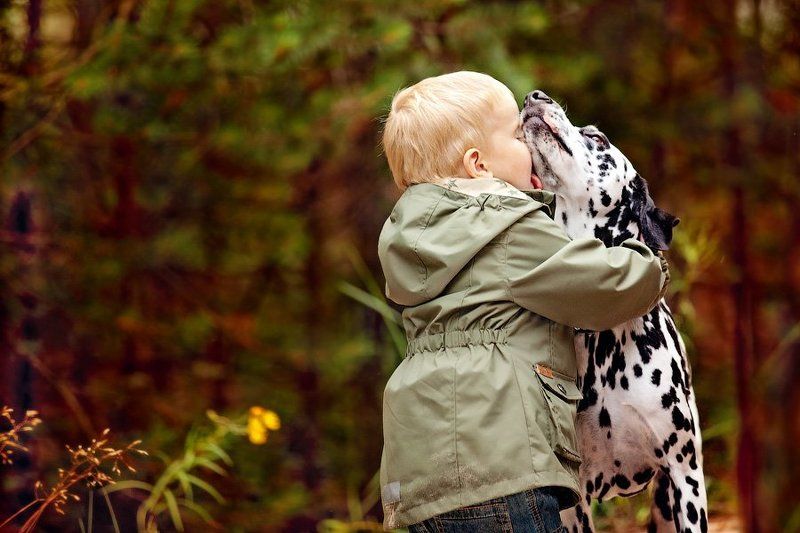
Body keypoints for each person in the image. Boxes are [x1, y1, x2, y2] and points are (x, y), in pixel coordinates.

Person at [376, 71, 670, 532]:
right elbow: (601, 285)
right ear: (478, 165)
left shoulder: (408, 241)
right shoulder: (506, 227)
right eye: (516, 135)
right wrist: (648, 263)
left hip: (418, 481)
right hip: (502, 467)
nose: (529, 144)